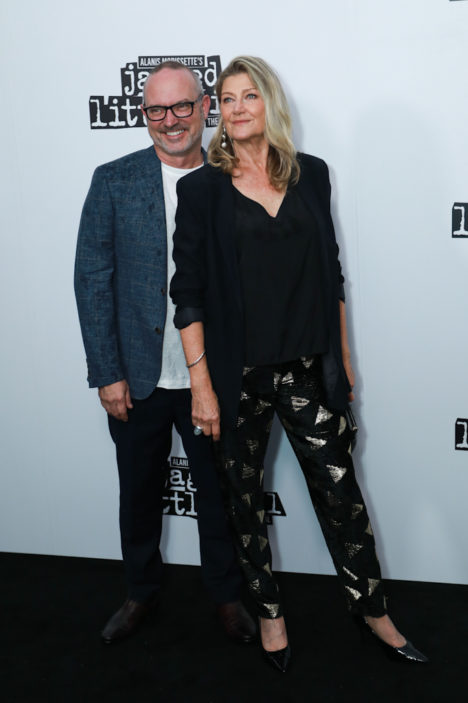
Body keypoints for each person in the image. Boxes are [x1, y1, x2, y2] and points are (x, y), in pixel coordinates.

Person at [170, 56, 428, 672]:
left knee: (342, 498)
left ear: (270, 103)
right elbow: (189, 295)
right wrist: (201, 385)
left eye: (249, 96)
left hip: (308, 369)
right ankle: (270, 614)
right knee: (244, 504)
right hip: (237, 377)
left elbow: (331, 274)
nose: (237, 108)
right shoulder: (201, 190)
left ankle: (373, 611)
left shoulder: (311, 174)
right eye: (227, 99)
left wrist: (343, 359)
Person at [74, 61, 255, 645]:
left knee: (220, 497)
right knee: (138, 495)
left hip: (213, 380)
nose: (170, 120)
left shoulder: (234, 177)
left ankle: (228, 597)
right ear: (144, 114)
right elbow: (92, 280)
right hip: (137, 377)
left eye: (182, 107)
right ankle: (140, 592)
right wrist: (107, 372)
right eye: (157, 109)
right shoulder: (114, 180)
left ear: (204, 108)